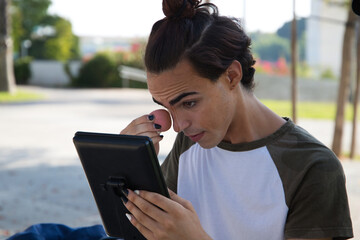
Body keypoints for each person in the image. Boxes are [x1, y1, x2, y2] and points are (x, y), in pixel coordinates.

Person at [120, 0, 353, 239]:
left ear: (231, 76)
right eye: (166, 107)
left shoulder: (312, 166)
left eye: (189, 103)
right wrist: (131, 169)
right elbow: (137, 230)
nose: (178, 125)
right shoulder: (189, 144)